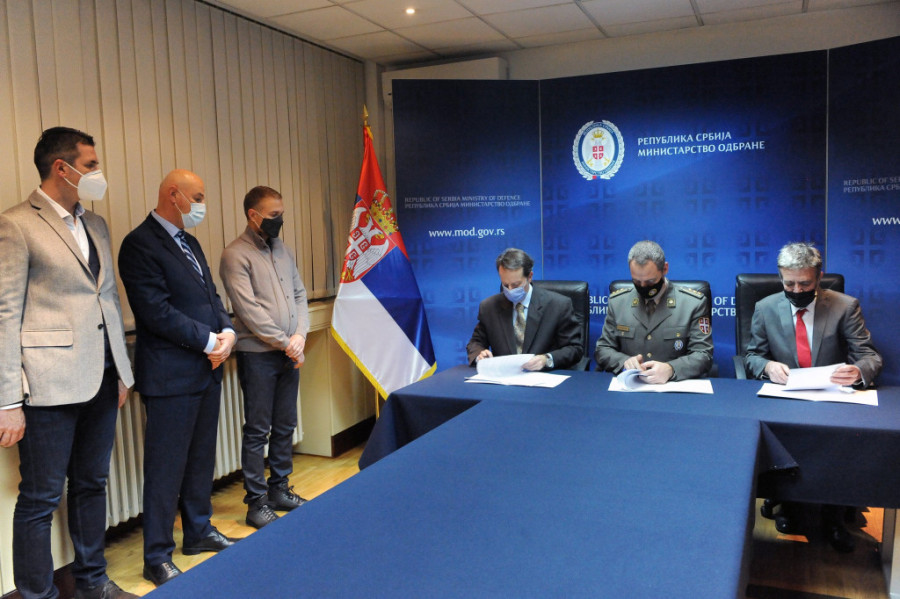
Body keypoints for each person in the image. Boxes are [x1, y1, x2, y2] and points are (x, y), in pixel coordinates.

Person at [0, 127, 136, 599]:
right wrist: (7, 401)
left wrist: (122, 372)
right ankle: (38, 594)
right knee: (40, 498)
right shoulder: (16, 224)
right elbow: (5, 315)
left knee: (91, 484)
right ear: (62, 168)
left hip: (101, 378)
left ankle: (93, 581)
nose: (98, 173)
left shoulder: (96, 224)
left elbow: (108, 300)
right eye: (91, 164)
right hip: (47, 386)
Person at [118, 169, 238, 586]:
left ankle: (198, 531)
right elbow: (156, 311)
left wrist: (228, 332)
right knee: (165, 469)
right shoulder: (139, 244)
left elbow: (212, 297)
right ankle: (156, 556)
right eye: (198, 196)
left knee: (201, 459)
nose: (202, 204)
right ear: (174, 195)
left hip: (207, 370)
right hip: (170, 375)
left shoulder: (190, 241)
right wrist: (208, 341)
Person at [744, 241, 882, 552]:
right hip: (785, 396)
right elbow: (752, 356)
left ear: (819, 277)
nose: (796, 290)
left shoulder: (845, 306)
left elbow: (870, 357)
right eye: (789, 283)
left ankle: (833, 515)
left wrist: (857, 371)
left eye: (804, 283)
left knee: (838, 442)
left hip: (832, 397)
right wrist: (767, 366)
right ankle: (789, 502)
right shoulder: (765, 308)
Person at [220, 186, 310, 529]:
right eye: (273, 215)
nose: (279, 220)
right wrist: (286, 342)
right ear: (253, 215)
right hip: (258, 355)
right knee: (258, 430)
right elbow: (249, 311)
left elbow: (300, 294)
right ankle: (256, 502)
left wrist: (300, 336)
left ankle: (279, 489)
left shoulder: (283, 250)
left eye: (281, 214)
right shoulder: (235, 255)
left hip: (288, 351)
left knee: (286, 424)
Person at [595, 240, 713, 382]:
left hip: (673, 386)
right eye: (636, 282)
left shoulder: (692, 304)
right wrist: (624, 362)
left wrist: (671, 369)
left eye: (650, 282)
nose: (643, 286)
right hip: (631, 385)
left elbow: (703, 354)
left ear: (665, 269)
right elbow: (603, 349)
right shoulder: (618, 302)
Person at [466, 248, 583, 370]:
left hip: (544, 376)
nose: (510, 290)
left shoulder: (558, 305)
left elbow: (574, 348)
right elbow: (475, 343)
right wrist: (480, 355)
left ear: (530, 276)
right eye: (505, 285)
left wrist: (546, 359)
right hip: (505, 377)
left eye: (516, 285)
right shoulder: (489, 307)